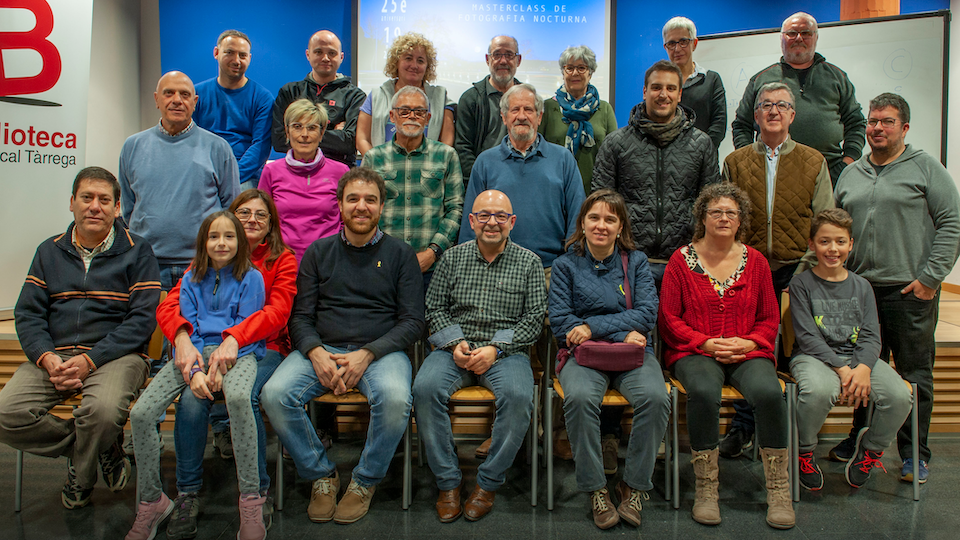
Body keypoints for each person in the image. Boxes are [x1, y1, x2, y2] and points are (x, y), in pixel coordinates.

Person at [261, 167, 424, 525]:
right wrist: (316, 353)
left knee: (396, 399)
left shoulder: (401, 254)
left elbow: (413, 321)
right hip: (323, 349)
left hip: (380, 352)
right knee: (274, 394)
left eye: (370, 199)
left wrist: (367, 355)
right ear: (339, 205)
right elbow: (299, 317)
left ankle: (364, 481)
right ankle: (321, 475)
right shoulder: (318, 253)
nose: (361, 206)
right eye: (353, 199)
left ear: (382, 208)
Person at [0, 167, 160, 509]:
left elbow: (142, 320)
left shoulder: (138, 251)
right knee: (6, 413)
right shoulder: (49, 251)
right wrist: (46, 356)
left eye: (105, 200)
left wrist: (90, 360)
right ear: (72, 202)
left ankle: (81, 478)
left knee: (101, 414)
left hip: (115, 356)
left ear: (118, 208)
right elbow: (27, 314)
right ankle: (99, 448)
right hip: (54, 357)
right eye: (87, 198)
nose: (95, 207)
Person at [153, 190, 297, 536]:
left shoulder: (282, 259)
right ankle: (187, 493)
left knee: (243, 395)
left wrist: (234, 338)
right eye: (243, 213)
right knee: (191, 398)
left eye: (260, 215)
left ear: (270, 225)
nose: (251, 220)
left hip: (264, 350)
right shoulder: (210, 255)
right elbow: (169, 306)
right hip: (204, 349)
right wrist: (183, 339)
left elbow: (277, 313)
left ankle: (256, 495)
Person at [835, 93, 960, 482]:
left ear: (904, 128)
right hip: (859, 293)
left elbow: (952, 224)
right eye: (872, 121)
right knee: (863, 370)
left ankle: (914, 453)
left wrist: (929, 280)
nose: (877, 128)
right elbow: (835, 229)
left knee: (914, 374)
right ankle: (859, 436)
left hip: (908, 293)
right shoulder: (851, 173)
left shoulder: (926, 169)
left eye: (886, 121)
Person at [658, 183, 793, 529]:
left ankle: (778, 489)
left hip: (747, 351)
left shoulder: (757, 262)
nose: (723, 217)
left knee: (768, 393)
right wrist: (703, 342)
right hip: (695, 351)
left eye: (731, 212)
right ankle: (706, 488)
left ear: (741, 220)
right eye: (715, 211)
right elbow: (669, 319)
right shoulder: (680, 261)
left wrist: (749, 343)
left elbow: (770, 317)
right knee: (703, 392)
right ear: (702, 216)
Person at [125, 211, 267, 540]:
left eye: (229, 236)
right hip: (196, 353)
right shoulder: (191, 278)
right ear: (203, 241)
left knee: (237, 398)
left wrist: (218, 367)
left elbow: (246, 330)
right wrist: (195, 372)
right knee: (141, 413)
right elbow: (190, 333)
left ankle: (251, 498)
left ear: (240, 241)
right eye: (214, 236)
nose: (221, 243)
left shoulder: (252, 277)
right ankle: (152, 500)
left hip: (239, 352)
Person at [414, 190, 546, 523]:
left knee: (519, 396)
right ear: (471, 221)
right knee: (425, 389)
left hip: (506, 352)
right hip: (453, 349)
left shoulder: (529, 263)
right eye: (484, 215)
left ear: (512, 222)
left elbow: (534, 317)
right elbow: (434, 308)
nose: (492, 222)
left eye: (500, 216)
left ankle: (487, 483)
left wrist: (496, 348)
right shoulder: (452, 258)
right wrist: (455, 343)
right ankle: (448, 483)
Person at [719, 82, 834, 458]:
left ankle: (784, 433)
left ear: (792, 115)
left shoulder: (813, 161)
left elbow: (823, 221)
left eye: (782, 105)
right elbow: (725, 217)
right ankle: (743, 427)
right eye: (766, 105)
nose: (773, 111)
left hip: (795, 271)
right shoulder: (736, 161)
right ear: (755, 115)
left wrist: (806, 268)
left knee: (787, 352)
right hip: (748, 269)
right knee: (746, 347)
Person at [548, 189, 669, 529]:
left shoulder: (637, 262)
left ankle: (633, 485)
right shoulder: (564, 265)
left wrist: (593, 326)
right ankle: (595, 487)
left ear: (620, 227)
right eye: (594, 218)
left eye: (610, 219)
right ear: (583, 223)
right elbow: (561, 322)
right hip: (583, 357)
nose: (601, 225)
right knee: (580, 398)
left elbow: (647, 313)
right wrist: (616, 331)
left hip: (633, 354)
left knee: (656, 398)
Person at [789, 208, 912, 491]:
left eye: (840, 242)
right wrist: (844, 370)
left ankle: (870, 450)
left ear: (851, 244)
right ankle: (804, 451)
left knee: (900, 396)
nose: (833, 249)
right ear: (812, 244)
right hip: (814, 357)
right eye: (824, 241)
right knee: (818, 392)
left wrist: (864, 368)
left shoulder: (862, 286)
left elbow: (871, 334)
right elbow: (808, 337)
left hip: (858, 359)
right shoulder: (801, 284)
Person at [593, 60, 719, 286]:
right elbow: (601, 201)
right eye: (656, 87)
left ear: (680, 94)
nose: (663, 94)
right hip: (628, 261)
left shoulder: (701, 144)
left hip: (685, 261)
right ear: (644, 91)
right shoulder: (616, 143)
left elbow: (711, 202)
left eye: (671, 88)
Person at [119, 71, 240, 291]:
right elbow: (128, 207)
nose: (177, 100)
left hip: (202, 264)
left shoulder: (218, 147)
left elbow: (231, 208)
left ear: (194, 102)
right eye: (169, 93)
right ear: (156, 99)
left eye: (184, 94)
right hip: (147, 264)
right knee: (150, 326)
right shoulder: (132, 146)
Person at [459, 83, 585, 272]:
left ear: (539, 116)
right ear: (504, 117)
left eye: (528, 109)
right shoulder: (485, 162)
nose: (521, 116)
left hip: (552, 270)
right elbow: (471, 224)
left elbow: (577, 217)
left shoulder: (563, 159)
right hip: (496, 270)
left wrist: (570, 266)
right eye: (514, 110)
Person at [732, 12, 866, 186]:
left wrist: (847, 162)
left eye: (806, 33)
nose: (799, 38)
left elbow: (856, 123)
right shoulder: (761, 79)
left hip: (829, 173)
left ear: (816, 38)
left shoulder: (837, 77)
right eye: (792, 33)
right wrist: (750, 161)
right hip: (772, 173)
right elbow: (742, 125)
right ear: (781, 38)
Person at [364, 86, 463, 283]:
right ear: (392, 116)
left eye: (419, 112)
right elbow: (366, 212)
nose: (412, 116)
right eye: (404, 111)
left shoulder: (446, 156)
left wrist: (433, 252)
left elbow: (455, 208)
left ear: (428, 118)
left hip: (433, 269)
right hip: (384, 266)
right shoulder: (374, 158)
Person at [259, 99, 349, 264]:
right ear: (287, 132)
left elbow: (346, 221)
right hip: (283, 263)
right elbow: (263, 219)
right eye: (297, 127)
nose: (305, 134)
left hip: (328, 262)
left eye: (312, 128)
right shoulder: (271, 171)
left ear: (322, 134)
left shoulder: (341, 172)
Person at [193, 30, 274, 191]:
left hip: (244, 176)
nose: (236, 60)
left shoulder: (263, 98)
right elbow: (189, 140)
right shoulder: (196, 95)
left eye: (242, 55)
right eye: (229, 53)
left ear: (249, 59)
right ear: (216, 53)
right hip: (203, 171)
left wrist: (231, 177)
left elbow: (261, 146)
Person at [271, 30, 366, 166]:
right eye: (318, 52)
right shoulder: (290, 92)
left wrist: (297, 133)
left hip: (340, 173)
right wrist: (334, 133)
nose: (325, 58)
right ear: (308, 55)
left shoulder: (355, 96)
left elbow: (349, 143)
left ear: (341, 57)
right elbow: (279, 140)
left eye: (332, 53)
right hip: (295, 169)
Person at [356, 32, 454, 157]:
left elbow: (447, 142)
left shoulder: (441, 98)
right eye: (408, 58)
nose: (414, 65)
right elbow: (361, 139)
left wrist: (432, 168)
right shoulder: (376, 96)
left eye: (420, 60)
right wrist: (378, 165)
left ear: (428, 66)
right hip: (381, 172)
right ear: (396, 62)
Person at [539, 45, 617, 193]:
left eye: (582, 68)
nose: (575, 73)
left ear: (590, 73)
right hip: (555, 191)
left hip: (595, 192)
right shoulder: (547, 107)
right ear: (563, 72)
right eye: (569, 68)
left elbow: (614, 156)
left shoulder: (605, 109)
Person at [455, 35, 522, 185]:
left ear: (518, 60)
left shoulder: (528, 99)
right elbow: (463, 148)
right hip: (482, 181)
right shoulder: (471, 99)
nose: (503, 61)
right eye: (497, 54)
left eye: (509, 55)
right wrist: (481, 181)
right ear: (487, 59)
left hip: (521, 180)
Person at [662, 17, 726, 149]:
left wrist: (698, 155)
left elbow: (718, 126)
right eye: (671, 43)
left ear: (695, 44)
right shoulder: (659, 84)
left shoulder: (711, 79)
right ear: (665, 47)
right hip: (668, 160)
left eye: (683, 41)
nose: (677, 49)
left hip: (704, 160)